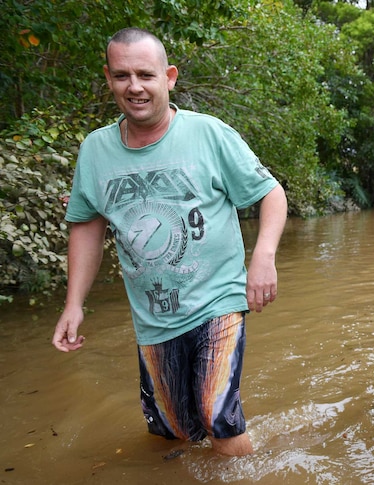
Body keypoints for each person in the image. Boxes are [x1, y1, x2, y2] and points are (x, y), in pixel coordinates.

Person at [51, 27, 287, 456]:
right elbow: (86, 224)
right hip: (153, 318)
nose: (134, 86)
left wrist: (264, 257)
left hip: (218, 302)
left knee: (219, 418)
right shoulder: (95, 151)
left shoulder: (209, 134)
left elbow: (270, 193)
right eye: (122, 76)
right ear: (108, 78)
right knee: (174, 434)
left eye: (146, 74)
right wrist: (74, 304)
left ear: (170, 77)